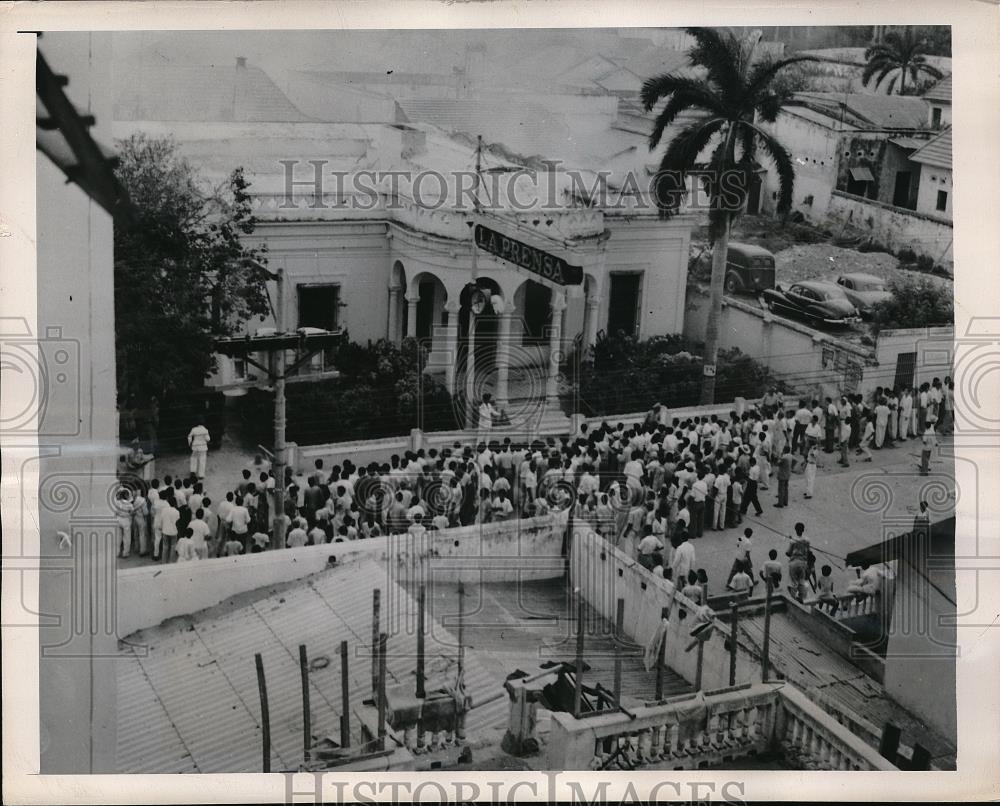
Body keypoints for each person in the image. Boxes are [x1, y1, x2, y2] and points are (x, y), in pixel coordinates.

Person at [786, 522, 810, 602]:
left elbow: (788, 553)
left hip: (794, 562)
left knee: (793, 582)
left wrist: (791, 540)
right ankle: (801, 598)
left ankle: (793, 600)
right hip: (803, 562)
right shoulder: (807, 540)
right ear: (803, 530)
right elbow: (808, 551)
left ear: (795, 529)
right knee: (801, 581)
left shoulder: (793, 541)